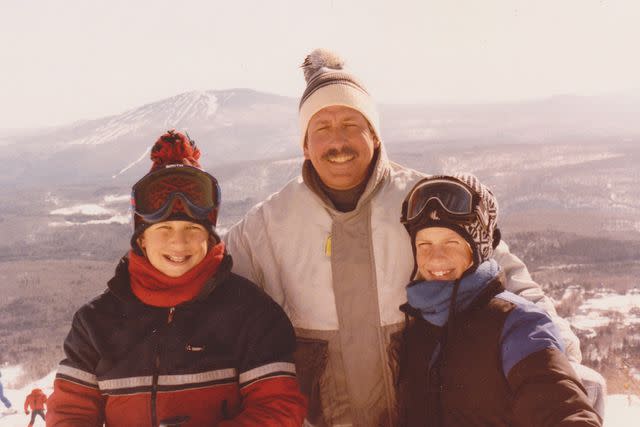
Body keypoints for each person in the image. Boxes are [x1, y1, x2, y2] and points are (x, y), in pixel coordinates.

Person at [224, 48, 603, 426]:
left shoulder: (426, 199)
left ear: (374, 134)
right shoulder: (269, 224)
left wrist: (563, 357)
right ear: (305, 144)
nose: (337, 141)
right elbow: (215, 295)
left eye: (351, 125)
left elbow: (506, 282)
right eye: (321, 128)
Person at [47, 130, 307, 426]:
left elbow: (278, 407)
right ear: (142, 240)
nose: (179, 244)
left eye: (193, 230)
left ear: (209, 238)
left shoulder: (250, 314)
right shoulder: (96, 323)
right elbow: (69, 414)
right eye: (164, 230)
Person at [398, 173, 601, 426]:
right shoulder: (417, 327)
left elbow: (564, 411)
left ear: (479, 249)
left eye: (451, 243)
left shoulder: (518, 325)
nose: (435, 258)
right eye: (424, 244)